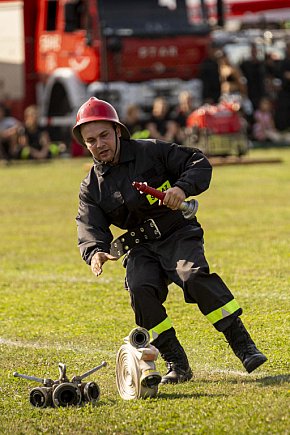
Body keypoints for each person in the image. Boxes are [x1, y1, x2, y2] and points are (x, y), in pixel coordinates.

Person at [74, 97, 267, 384]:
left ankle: (244, 345)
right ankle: (176, 363)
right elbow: (89, 225)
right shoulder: (91, 186)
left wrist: (182, 187)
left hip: (178, 233)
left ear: (118, 131)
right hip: (140, 247)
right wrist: (96, 253)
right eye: (91, 140)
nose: (99, 144)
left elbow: (198, 162)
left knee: (193, 277)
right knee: (140, 290)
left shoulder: (151, 150)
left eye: (104, 135)